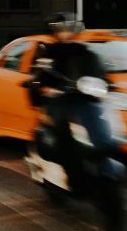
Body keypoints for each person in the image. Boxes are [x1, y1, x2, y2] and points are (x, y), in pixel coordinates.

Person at [29, 12, 114, 187]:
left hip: (83, 101)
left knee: (103, 133)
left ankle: (98, 158)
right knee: (62, 132)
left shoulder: (83, 51)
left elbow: (98, 71)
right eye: (62, 30)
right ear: (56, 32)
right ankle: (69, 171)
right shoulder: (49, 52)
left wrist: (106, 82)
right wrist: (46, 88)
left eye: (69, 29)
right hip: (60, 102)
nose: (66, 33)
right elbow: (39, 77)